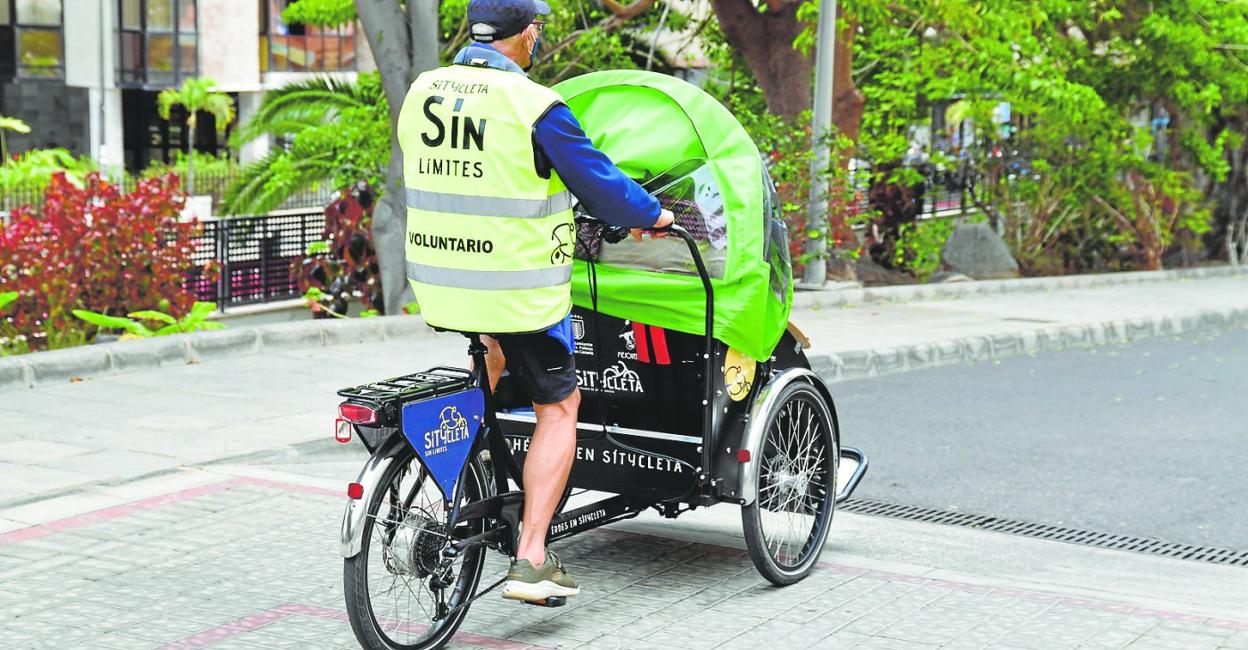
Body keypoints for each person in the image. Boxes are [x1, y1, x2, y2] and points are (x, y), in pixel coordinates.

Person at [397, 0, 674, 603]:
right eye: (537, 29)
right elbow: (605, 189)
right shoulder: (536, 108)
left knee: (492, 355)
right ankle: (531, 556)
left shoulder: (423, 90)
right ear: (525, 35)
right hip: (515, 290)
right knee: (560, 406)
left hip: (441, 279)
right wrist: (656, 214)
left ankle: (475, 472)